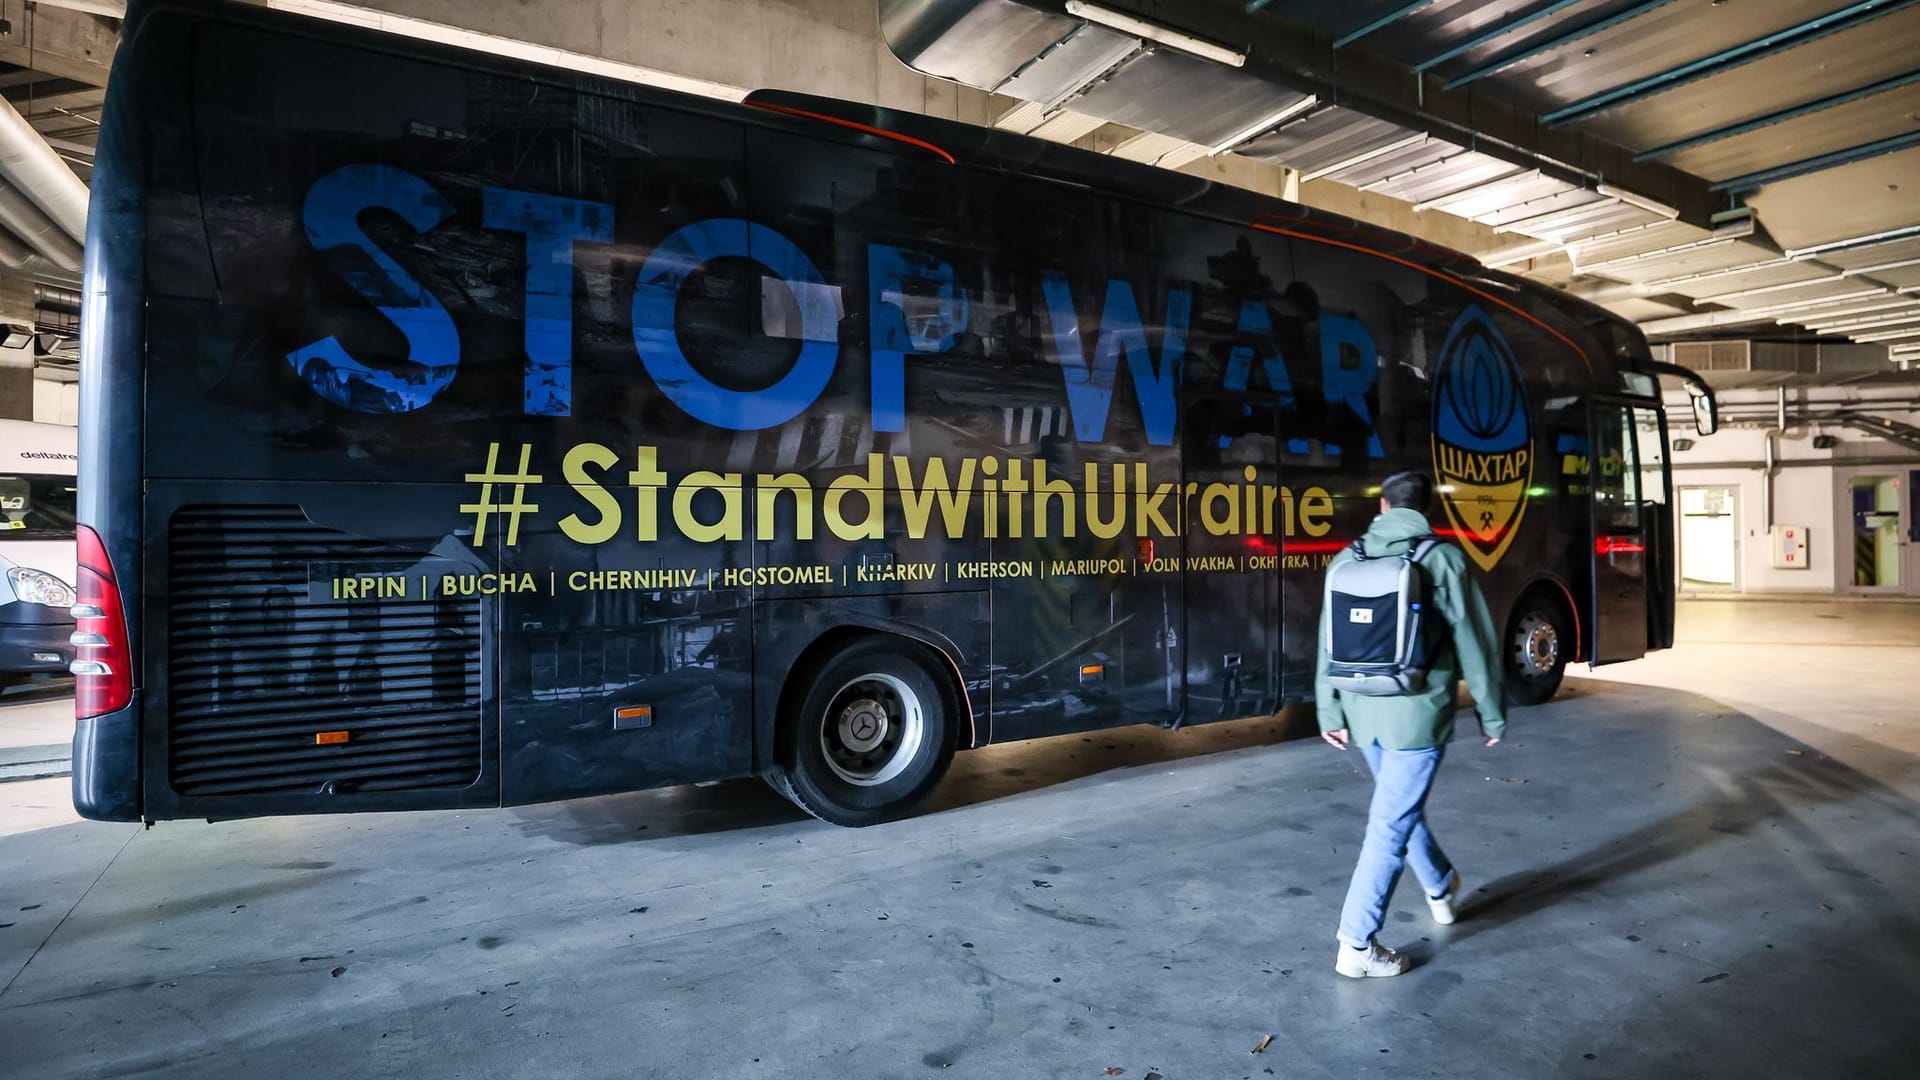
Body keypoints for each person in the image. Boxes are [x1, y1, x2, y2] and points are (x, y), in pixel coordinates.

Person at [1315, 470, 1507, 979]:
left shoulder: (1347, 557)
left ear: (1382, 507)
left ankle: (1441, 885)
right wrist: (1491, 711)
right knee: (1390, 825)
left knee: (1397, 808)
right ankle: (1356, 943)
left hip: (1360, 708)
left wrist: (1329, 710)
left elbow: (1327, 641)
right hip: (1417, 715)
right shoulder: (1441, 559)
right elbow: (1475, 642)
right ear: (1427, 511)